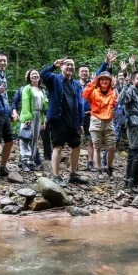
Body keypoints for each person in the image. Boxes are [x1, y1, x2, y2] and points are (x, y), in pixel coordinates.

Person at [41, 58, 90, 187]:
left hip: (72, 121)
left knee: (77, 146)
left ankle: (73, 174)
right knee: (58, 147)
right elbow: (43, 75)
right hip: (58, 120)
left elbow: (79, 104)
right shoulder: (54, 79)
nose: (70, 67)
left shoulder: (76, 84)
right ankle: (56, 176)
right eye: (67, 64)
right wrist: (53, 66)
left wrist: (80, 122)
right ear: (62, 66)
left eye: (72, 65)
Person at [82, 71, 117, 177]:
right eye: (102, 79)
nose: (104, 81)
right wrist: (92, 83)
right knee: (97, 147)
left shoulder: (113, 92)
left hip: (109, 121)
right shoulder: (94, 91)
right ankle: (99, 169)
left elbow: (115, 104)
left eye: (107, 79)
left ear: (110, 81)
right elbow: (84, 95)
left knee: (111, 146)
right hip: (96, 120)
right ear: (99, 81)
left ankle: (109, 167)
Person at [19, 70, 48, 171]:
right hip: (30, 115)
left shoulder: (42, 90)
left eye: (36, 74)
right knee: (26, 138)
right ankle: (24, 162)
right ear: (29, 78)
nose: (35, 76)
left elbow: (44, 107)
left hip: (38, 115)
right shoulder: (27, 88)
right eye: (32, 74)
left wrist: (44, 120)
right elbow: (25, 103)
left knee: (35, 139)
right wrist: (27, 118)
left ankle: (31, 162)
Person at [78, 65, 96, 171]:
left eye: (86, 71)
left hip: (89, 114)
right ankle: (74, 163)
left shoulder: (92, 84)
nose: (84, 73)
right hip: (78, 114)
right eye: (82, 71)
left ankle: (90, 162)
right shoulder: (75, 84)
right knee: (77, 139)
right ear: (79, 73)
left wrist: (106, 63)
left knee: (90, 139)